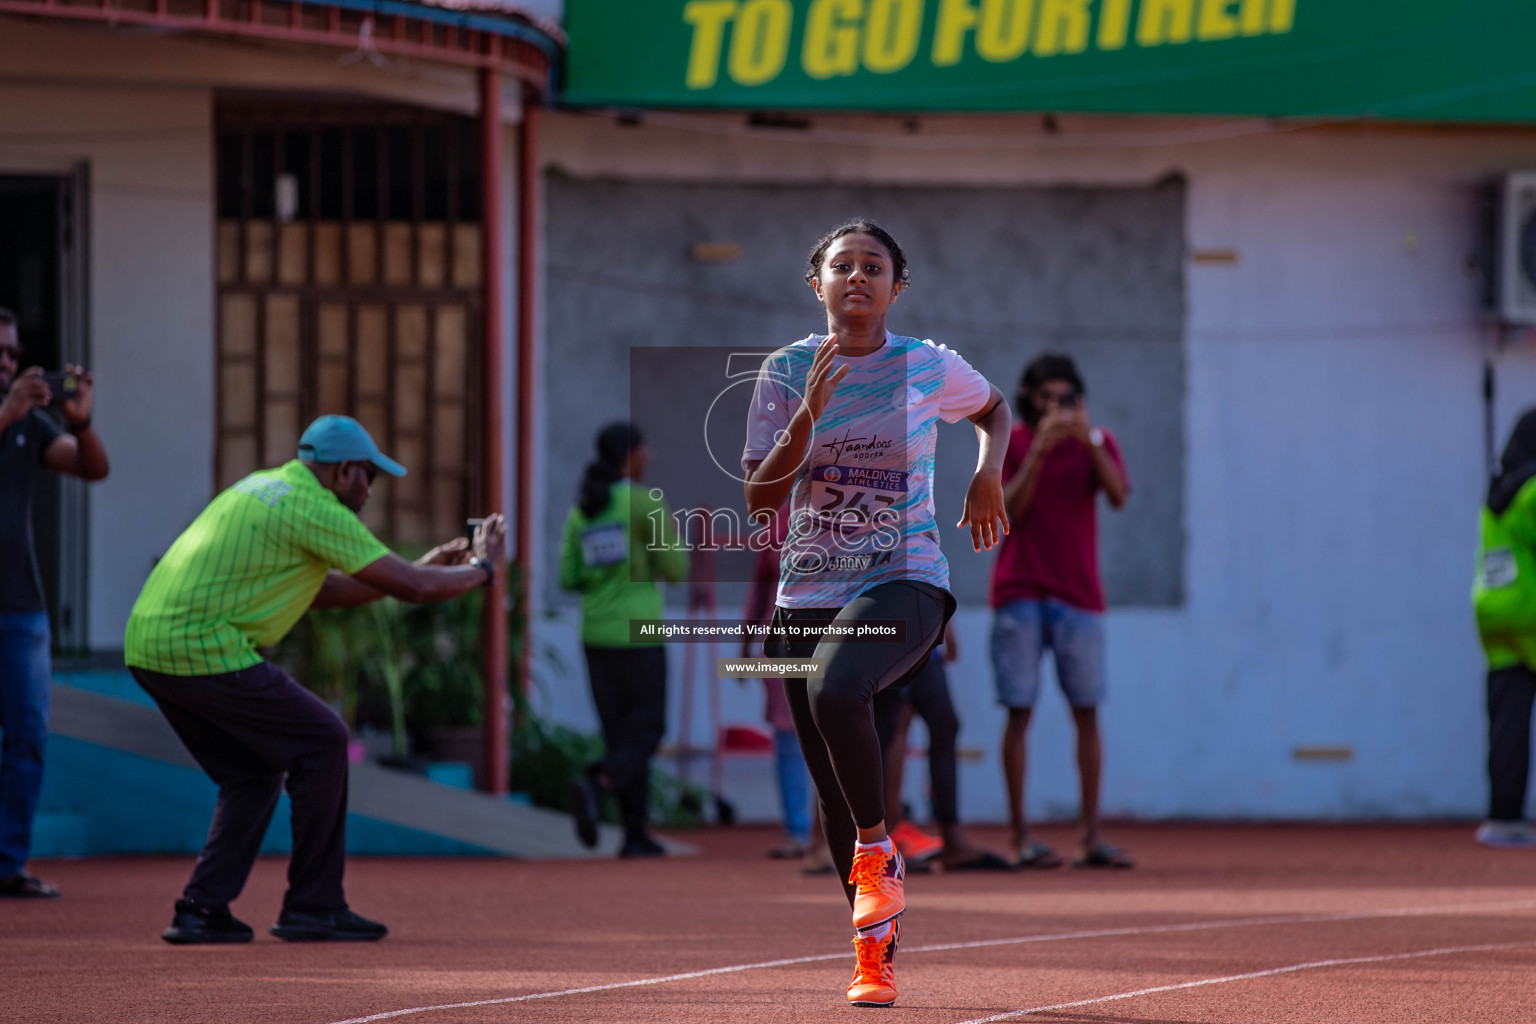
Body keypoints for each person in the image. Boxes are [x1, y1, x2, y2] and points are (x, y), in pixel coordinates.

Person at [743, 220, 1011, 1008]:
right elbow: (759, 497)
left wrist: (985, 474)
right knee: (831, 792)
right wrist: (808, 413)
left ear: (898, 285)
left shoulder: (929, 365)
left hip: (908, 577)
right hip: (808, 591)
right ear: (815, 283)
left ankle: (876, 848)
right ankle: (874, 956)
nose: (857, 277)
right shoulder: (786, 369)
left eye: (874, 267)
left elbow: (995, 411)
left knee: (835, 689)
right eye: (841, 266)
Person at [124, 415, 505, 944]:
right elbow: (414, 588)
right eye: (368, 476)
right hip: (200, 646)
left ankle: (201, 909)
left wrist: (421, 566)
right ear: (343, 470)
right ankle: (314, 905)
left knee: (253, 774)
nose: (370, 490)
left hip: (148, 645)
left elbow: (322, 588)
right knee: (324, 740)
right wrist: (484, 570)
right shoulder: (316, 508)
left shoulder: (261, 487)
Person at [990, 353, 1132, 870]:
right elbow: (1010, 510)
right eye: (1046, 398)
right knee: (1018, 713)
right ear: (1029, 399)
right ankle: (1020, 837)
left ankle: (1090, 836)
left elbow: (1117, 495)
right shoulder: (1015, 443)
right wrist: (1039, 454)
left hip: (1079, 597)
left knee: (1087, 714)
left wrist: (1087, 437)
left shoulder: (1099, 442)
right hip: (1020, 594)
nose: (1056, 407)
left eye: (1066, 398)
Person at [0, 308, 109, 899]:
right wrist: (7, 412)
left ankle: (6, 864)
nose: (8, 363)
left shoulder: (31, 424)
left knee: (28, 737)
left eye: (13, 354)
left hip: (21, 609)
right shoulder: (12, 415)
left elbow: (93, 469)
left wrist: (83, 424)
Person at [560, 422, 687, 859]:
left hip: (595, 634)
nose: (648, 457)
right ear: (629, 455)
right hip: (640, 630)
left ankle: (635, 833)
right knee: (649, 729)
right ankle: (599, 782)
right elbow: (676, 570)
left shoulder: (584, 508)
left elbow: (568, 576)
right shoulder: (641, 503)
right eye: (643, 449)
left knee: (621, 734)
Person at [874, 623, 1011, 871]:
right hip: (886, 627)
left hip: (924, 634)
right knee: (891, 725)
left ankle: (952, 837)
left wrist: (947, 626)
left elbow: (936, 582)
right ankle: (887, 839)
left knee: (944, 723)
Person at [1473, 409, 1536, 848]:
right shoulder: (1533, 491)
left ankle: (1504, 817)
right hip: (1531, 610)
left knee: (1508, 720)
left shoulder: (1497, 490)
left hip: (1495, 612)